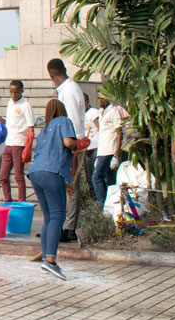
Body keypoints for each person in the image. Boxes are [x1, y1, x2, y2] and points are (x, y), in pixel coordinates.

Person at [27, 98, 86, 280]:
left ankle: (46, 256)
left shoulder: (44, 130)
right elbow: (68, 143)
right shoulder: (64, 121)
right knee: (58, 216)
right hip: (52, 172)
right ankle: (50, 261)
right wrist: (80, 144)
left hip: (36, 172)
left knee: (48, 217)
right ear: (62, 110)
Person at [48, 58, 86, 244]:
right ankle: (62, 225)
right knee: (65, 187)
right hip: (67, 143)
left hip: (70, 145)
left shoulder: (69, 91)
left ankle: (68, 228)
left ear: (51, 74)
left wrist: (67, 145)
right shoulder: (67, 89)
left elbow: (68, 123)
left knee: (70, 188)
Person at [0, 80, 34, 202]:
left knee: (18, 175)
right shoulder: (10, 103)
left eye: (16, 93)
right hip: (8, 142)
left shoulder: (25, 105)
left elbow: (30, 126)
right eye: (11, 92)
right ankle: (8, 200)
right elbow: (8, 122)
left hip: (19, 143)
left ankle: (21, 201)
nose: (13, 95)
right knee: (3, 175)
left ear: (21, 91)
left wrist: (28, 146)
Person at [92, 94, 128, 207]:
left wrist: (116, 154)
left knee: (96, 177)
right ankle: (112, 204)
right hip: (102, 150)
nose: (99, 100)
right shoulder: (102, 112)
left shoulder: (113, 111)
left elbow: (119, 133)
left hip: (109, 150)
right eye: (98, 98)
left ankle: (102, 204)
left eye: (102, 98)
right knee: (110, 179)